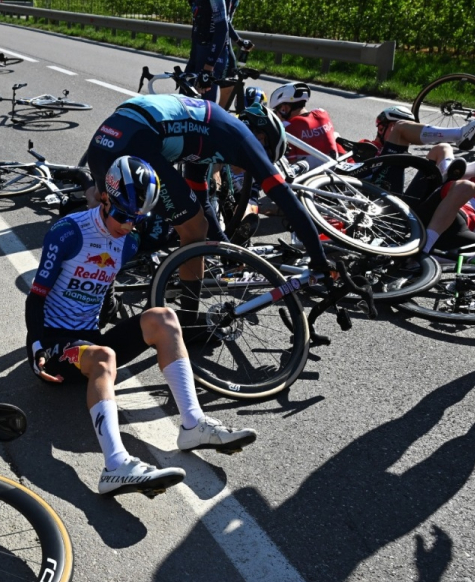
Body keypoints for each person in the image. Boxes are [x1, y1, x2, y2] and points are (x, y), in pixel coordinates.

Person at [26, 156, 257, 496]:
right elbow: (36, 297)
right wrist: (37, 348)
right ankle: (115, 466)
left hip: (90, 339)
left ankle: (193, 424)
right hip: (55, 345)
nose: (126, 225)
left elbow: (189, 228)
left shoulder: (131, 238)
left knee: (163, 317)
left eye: (136, 219)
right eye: (122, 215)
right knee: (104, 356)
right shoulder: (68, 232)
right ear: (104, 198)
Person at [84, 95, 332, 283]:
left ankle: (92, 284)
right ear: (263, 139)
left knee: (118, 218)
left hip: (106, 141)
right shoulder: (243, 139)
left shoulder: (206, 141)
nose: (252, 169)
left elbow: (201, 203)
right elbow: (290, 203)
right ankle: (190, 321)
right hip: (136, 138)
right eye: (266, 158)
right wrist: (320, 261)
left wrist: (229, 253)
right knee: (193, 229)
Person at [183, 0, 231, 101]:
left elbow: (222, 26)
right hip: (199, 49)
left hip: (209, 52)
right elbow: (204, 12)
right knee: (184, 106)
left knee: (203, 114)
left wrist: (208, 68)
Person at [270, 82, 344, 168]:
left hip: (312, 177)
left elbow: (290, 163)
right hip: (335, 167)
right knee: (335, 134)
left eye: (276, 111)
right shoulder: (322, 113)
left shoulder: (287, 128)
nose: (276, 115)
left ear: (284, 109)